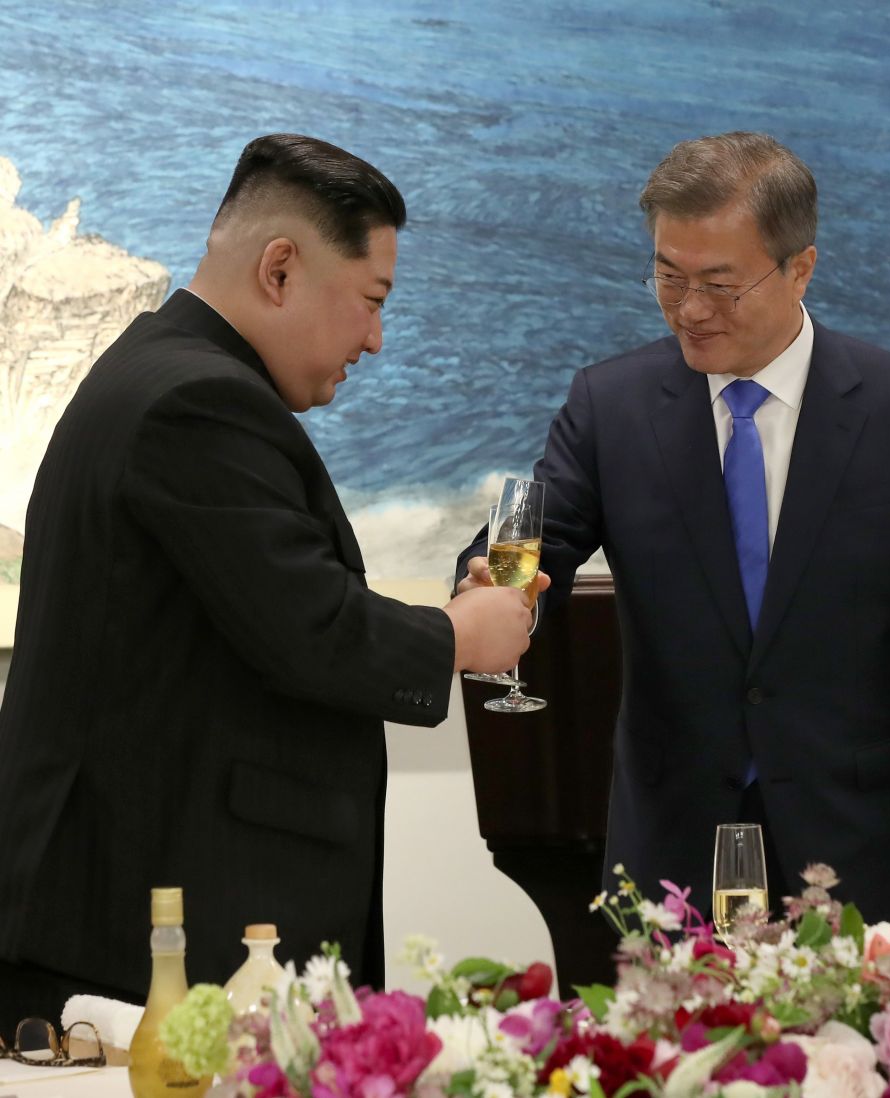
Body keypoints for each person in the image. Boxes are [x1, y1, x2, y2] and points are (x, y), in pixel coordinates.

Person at [0, 133, 533, 1033]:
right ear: (280, 268)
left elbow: (262, 603)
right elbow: (310, 629)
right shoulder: (196, 402)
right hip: (143, 926)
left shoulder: (159, 368)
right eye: (370, 301)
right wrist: (461, 635)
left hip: (131, 899)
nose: (375, 338)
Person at [456, 131, 890, 926]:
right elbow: (530, 546)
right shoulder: (612, 408)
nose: (690, 309)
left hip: (862, 860)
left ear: (800, 268)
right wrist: (489, 587)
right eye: (667, 276)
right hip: (672, 860)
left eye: (720, 283)